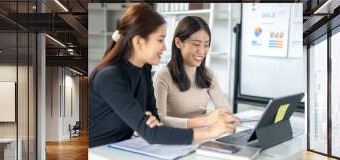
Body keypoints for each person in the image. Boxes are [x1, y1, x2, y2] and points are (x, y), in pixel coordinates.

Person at [88, 4, 239, 148]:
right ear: (139, 42)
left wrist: (148, 123)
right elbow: (151, 132)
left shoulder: (143, 68)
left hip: (122, 149)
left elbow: (155, 120)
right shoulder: (109, 77)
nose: (165, 47)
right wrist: (209, 131)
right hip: (97, 158)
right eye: (160, 40)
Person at [153, 16, 232, 129]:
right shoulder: (163, 76)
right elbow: (159, 119)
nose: (202, 51)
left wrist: (215, 116)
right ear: (178, 42)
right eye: (196, 44)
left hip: (203, 134)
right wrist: (203, 121)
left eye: (206, 45)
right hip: (175, 138)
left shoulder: (207, 73)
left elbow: (225, 110)